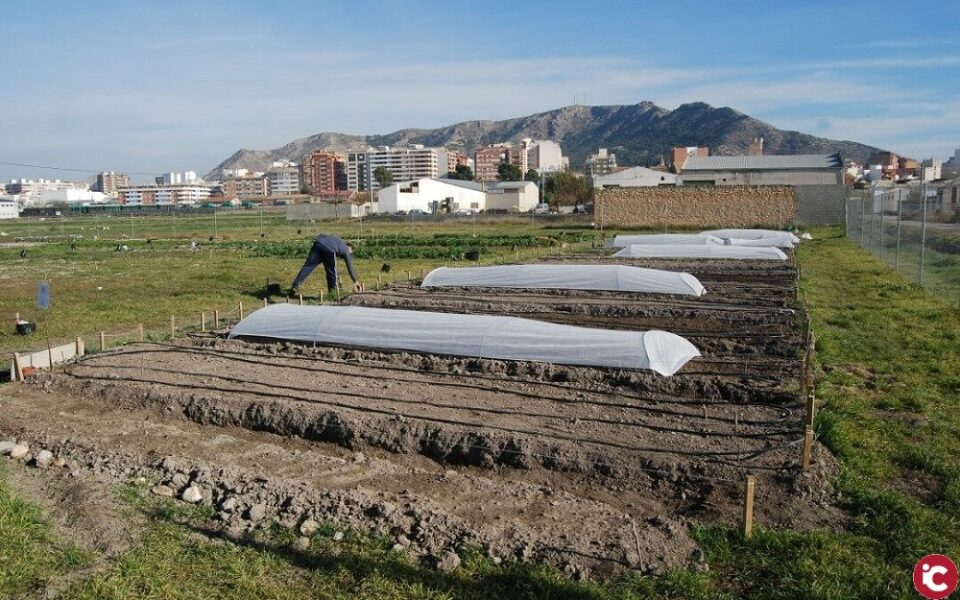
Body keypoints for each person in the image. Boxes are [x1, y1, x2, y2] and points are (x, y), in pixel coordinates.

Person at [290, 234, 363, 295]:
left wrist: (318, 240)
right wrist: (356, 282)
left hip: (317, 244)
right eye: (351, 253)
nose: (350, 254)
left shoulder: (337, 240)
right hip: (330, 250)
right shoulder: (347, 250)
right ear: (350, 248)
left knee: (308, 266)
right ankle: (333, 292)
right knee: (331, 272)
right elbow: (350, 267)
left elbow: (322, 235)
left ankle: (295, 286)